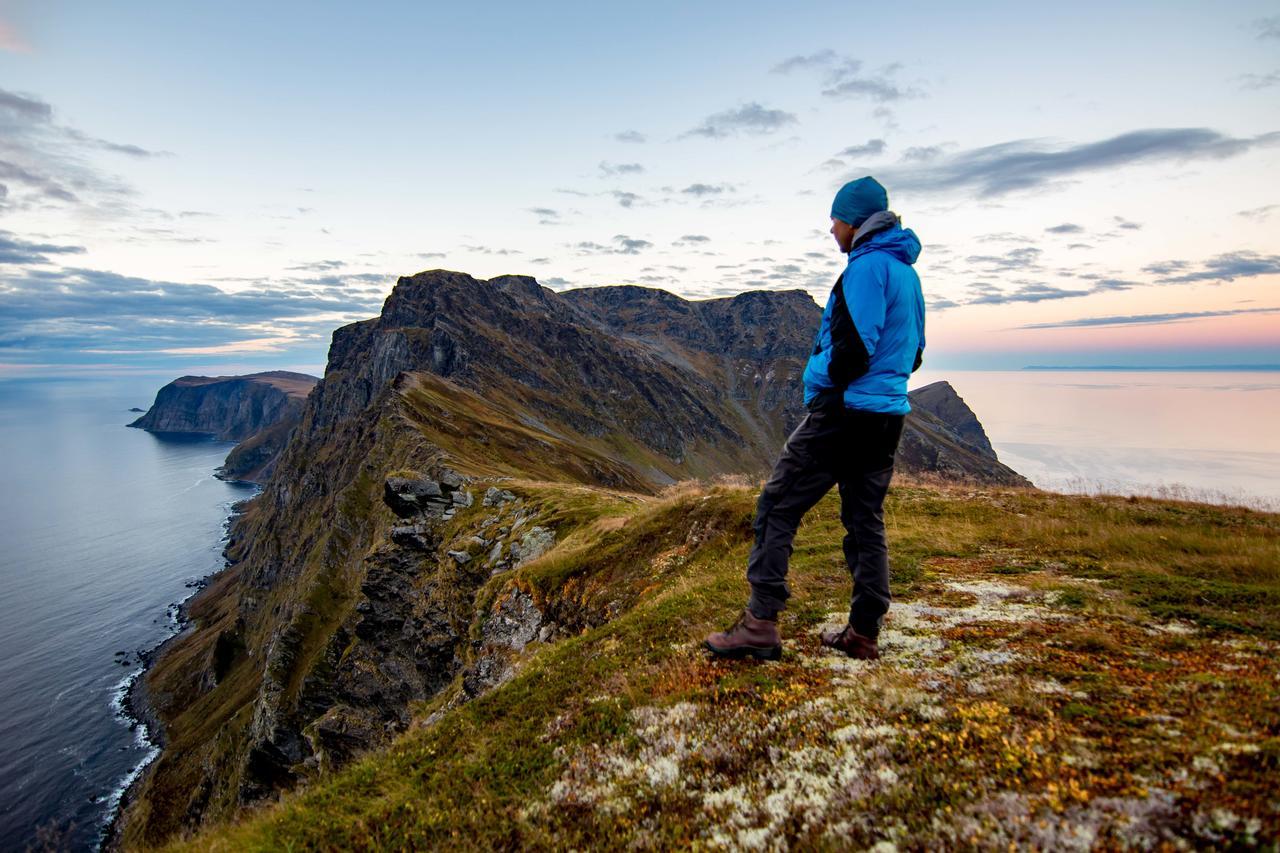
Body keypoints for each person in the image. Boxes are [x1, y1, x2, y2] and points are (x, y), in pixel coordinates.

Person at [704, 175, 925, 662]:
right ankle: (863, 633)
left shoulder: (864, 270)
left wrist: (816, 373)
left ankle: (760, 624)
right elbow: (915, 356)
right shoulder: (907, 275)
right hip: (887, 416)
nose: (831, 229)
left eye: (836, 220)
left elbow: (854, 351)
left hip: (844, 414)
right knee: (865, 520)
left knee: (778, 505)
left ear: (855, 222)